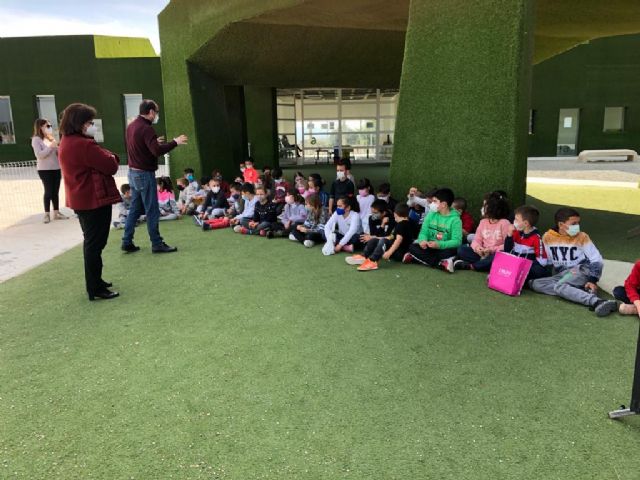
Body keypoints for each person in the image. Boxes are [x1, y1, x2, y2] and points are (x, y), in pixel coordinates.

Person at [58, 103, 120, 300]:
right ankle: (95, 287)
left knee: (92, 242)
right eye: (89, 122)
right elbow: (110, 165)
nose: (92, 125)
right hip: (93, 200)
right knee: (95, 244)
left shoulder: (67, 141)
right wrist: (111, 156)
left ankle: (96, 282)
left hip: (81, 199)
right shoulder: (84, 144)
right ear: (80, 123)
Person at [122, 99, 187, 253]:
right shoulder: (147, 129)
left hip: (133, 173)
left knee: (134, 209)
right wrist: (175, 142)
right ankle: (156, 243)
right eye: (156, 112)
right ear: (151, 112)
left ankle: (127, 241)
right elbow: (156, 151)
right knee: (152, 210)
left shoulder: (131, 126)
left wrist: (153, 143)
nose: (157, 115)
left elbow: (138, 146)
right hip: (144, 174)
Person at [530, 207, 618, 316]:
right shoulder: (547, 237)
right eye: (573, 223)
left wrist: (592, 280)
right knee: (536, 284)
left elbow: (597, 259)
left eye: (578, 223)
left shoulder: (582, 236)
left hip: (579, 270)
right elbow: (547, 261)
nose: (577, 226)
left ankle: (597, 301)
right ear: (561, 225)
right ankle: (577, 290)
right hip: (562, 274)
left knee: (559, 286)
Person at [402, 188, 462, 270]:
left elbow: (457, 242)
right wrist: (422, 240)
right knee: (412, 247)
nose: (431, 204)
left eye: (435, 201)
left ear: (443, 204)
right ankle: (441, 264)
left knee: (453, 251)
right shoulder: (431, 214)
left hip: (443, 248)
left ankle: (415, 259)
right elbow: (423, 232)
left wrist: (439, 245)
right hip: (429, 247)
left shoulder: (455, 220)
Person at [346, 203, 415, 271]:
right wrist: (374, 237)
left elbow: (398, 240)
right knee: (374, 240)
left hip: (399, 253)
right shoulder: (401, 223)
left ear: (395, 214)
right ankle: (364, 256)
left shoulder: (402, 224)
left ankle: (372, 261)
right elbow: (391, 237)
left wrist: (389, 252)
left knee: (383, 241)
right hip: (396, 250)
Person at [452, 195, 511, 272]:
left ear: (493, 209)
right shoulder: (483, 222)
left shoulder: (504, 223)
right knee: (461, 249)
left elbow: (507, 246)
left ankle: (472, 266)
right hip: (481, 254)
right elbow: (476, 239)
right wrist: (478, 248)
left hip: (494, 254)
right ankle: (484, 264)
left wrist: (490, 250)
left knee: (498, 257)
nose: (482, 209)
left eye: (485, 206)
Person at [32, 118, 67, 223]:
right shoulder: (36, 139)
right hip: (44, 169)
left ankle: (56, 212)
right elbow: (39, 155)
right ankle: (47, 214)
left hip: (56, 168)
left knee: (55, 191)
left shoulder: (51, 138)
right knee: (48, 191)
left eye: (50, 126)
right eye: (47, 126)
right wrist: (51, 147)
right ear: (40, 127)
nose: (49, 128)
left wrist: (58, 148)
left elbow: (57, 153)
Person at [502, 205, 550, 282]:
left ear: (526, 223)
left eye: (516, 220)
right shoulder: (516, 232)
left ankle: (513, 278)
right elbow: (507, 250)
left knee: (538, 271)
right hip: (514, 263)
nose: (514, 222)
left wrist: (524, 264)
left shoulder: (536, 238)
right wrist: (509, 235)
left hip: (527, 266)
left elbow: (542, 262)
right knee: (497, 256)